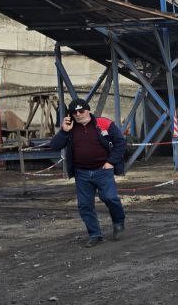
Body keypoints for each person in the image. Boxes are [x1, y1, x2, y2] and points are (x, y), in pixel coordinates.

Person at [47, 98, 127, 247]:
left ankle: (118, 222)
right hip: (81, 173)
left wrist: (110, 162)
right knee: (84, 205)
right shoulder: (70, 129)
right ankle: (95, 235)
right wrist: (64, 131)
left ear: (88, 110)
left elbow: (120, 143)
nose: (78, 114)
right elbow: (55, 146)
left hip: (103, 170)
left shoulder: (103, 123)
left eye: (81, 111)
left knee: (110, 198)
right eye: (74, 112)